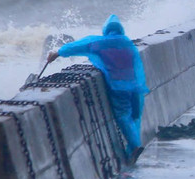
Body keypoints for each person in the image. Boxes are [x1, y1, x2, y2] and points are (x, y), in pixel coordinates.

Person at [47, 14, 149, 159]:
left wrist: (57, 53)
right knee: (134, 115)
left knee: (123, 115)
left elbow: (78, 46)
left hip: (118, 86)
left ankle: (135, 146)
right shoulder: (126, 42)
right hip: (135, 86)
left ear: (106, 30)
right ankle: (134, 146)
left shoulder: (100, 43)